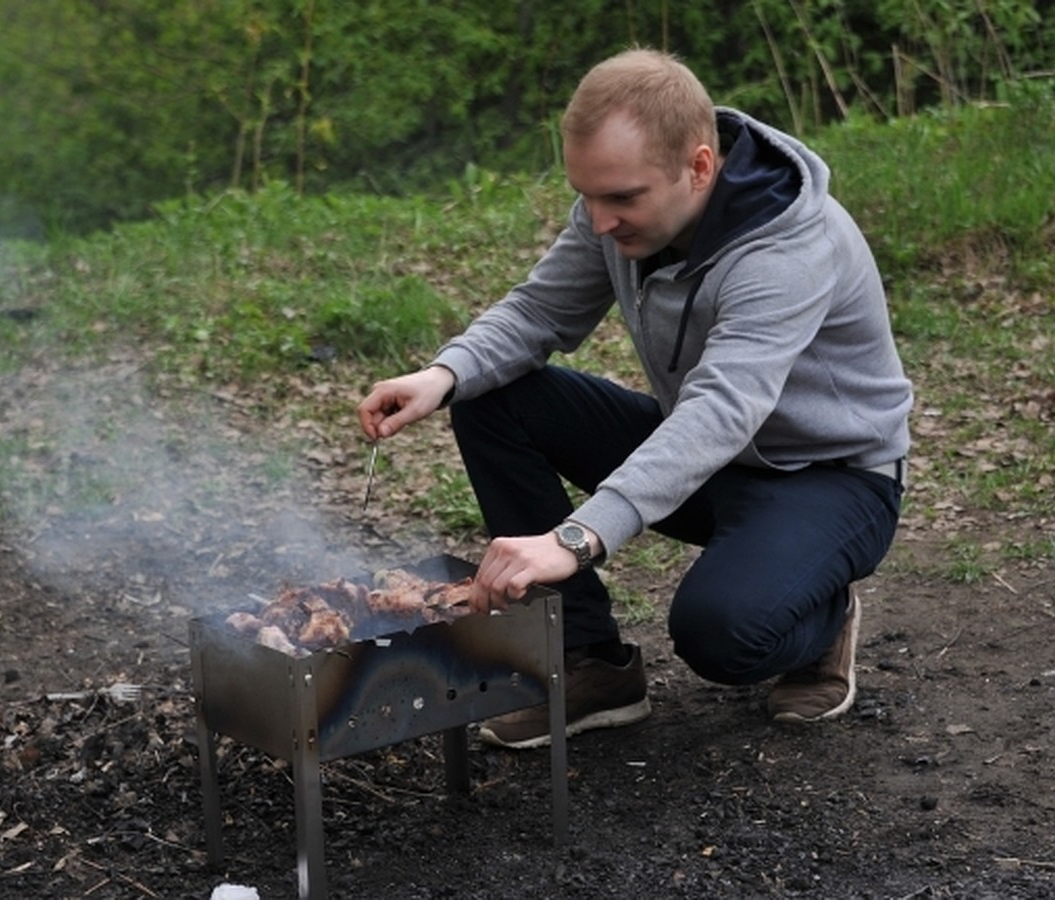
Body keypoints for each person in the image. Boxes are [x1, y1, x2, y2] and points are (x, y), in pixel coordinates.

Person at [357, 48, 911, 749]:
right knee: (491, 395)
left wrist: (575, 539)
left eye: (620, 198)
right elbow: (538, 313)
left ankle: (821, 618)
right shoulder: (622, 212)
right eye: (586, 195)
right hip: (713, 464)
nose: (598, 223)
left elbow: (721, 411)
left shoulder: (787, 251)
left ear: (700, 167)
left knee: (721, 635)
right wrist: (443, 375)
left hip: (829, 480)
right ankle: (590, 663)